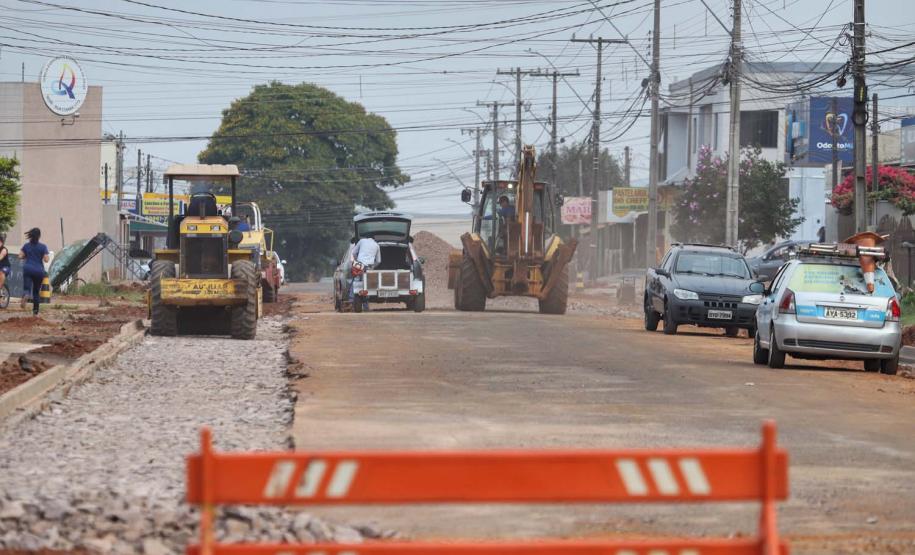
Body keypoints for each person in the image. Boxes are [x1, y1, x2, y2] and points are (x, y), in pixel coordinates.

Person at [19, 228, 49, 315]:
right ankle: (35, 313)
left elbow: (20, 256)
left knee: (26, 288)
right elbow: (46, 259)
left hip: (28, 268)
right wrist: (44, 256)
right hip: (39, 271)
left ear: (30, 236)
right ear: (39, 236)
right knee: (36, 292)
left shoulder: (26, 246)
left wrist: (26, 256)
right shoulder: (43, 247)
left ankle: (26, 295)